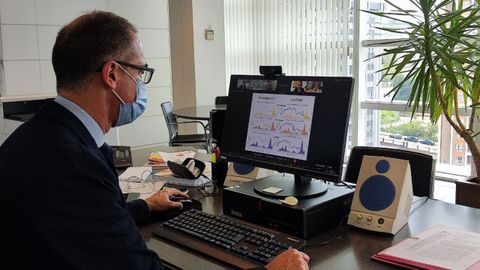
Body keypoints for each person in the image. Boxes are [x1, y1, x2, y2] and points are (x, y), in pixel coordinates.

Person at [0, 11, 309, 270]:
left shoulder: (38, 136)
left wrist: (144, 207)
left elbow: (85, 222)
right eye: (140, 71)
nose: (142, 83)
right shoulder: (73, 165)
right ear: (112, 74)